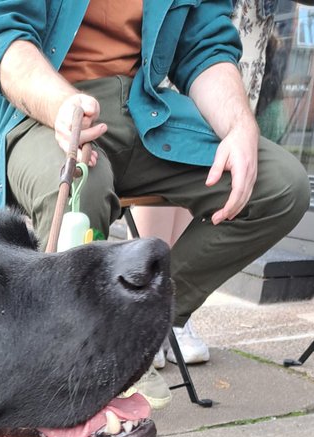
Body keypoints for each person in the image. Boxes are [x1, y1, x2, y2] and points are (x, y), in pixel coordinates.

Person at [0, 0, 310, 413]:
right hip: (36, 106)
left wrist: (238, 126)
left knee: (279, 186)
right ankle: (57, 374)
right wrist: (60, 104)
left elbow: (204, 44)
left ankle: (136, 326)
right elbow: (3, 38)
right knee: (81, 188)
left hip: (145, 109)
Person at [129, 0, 277, 370]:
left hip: (242, 20)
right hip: (160, 30)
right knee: (167, 138)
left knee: (211, 152)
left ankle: (170, 308)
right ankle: (138, 299)